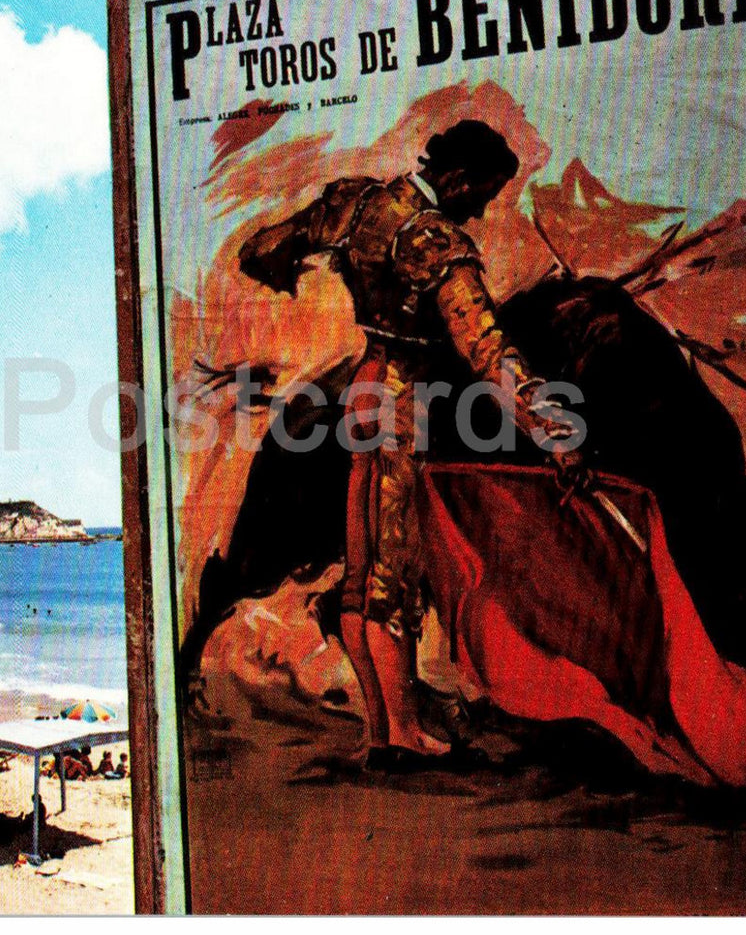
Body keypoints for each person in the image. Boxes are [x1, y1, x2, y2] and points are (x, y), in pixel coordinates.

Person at [236, 120, 584, 769]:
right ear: (453, 178)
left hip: (362, 389)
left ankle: (380, 731)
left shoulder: (359, 201)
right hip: (403, 404)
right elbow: (487, 350)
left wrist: (271, 264)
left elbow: (272, 243)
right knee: (390, 580)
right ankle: (400, 734)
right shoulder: (434, 241)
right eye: (479, 193)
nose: (480, 209)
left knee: (361, 576)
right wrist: (556, 431)